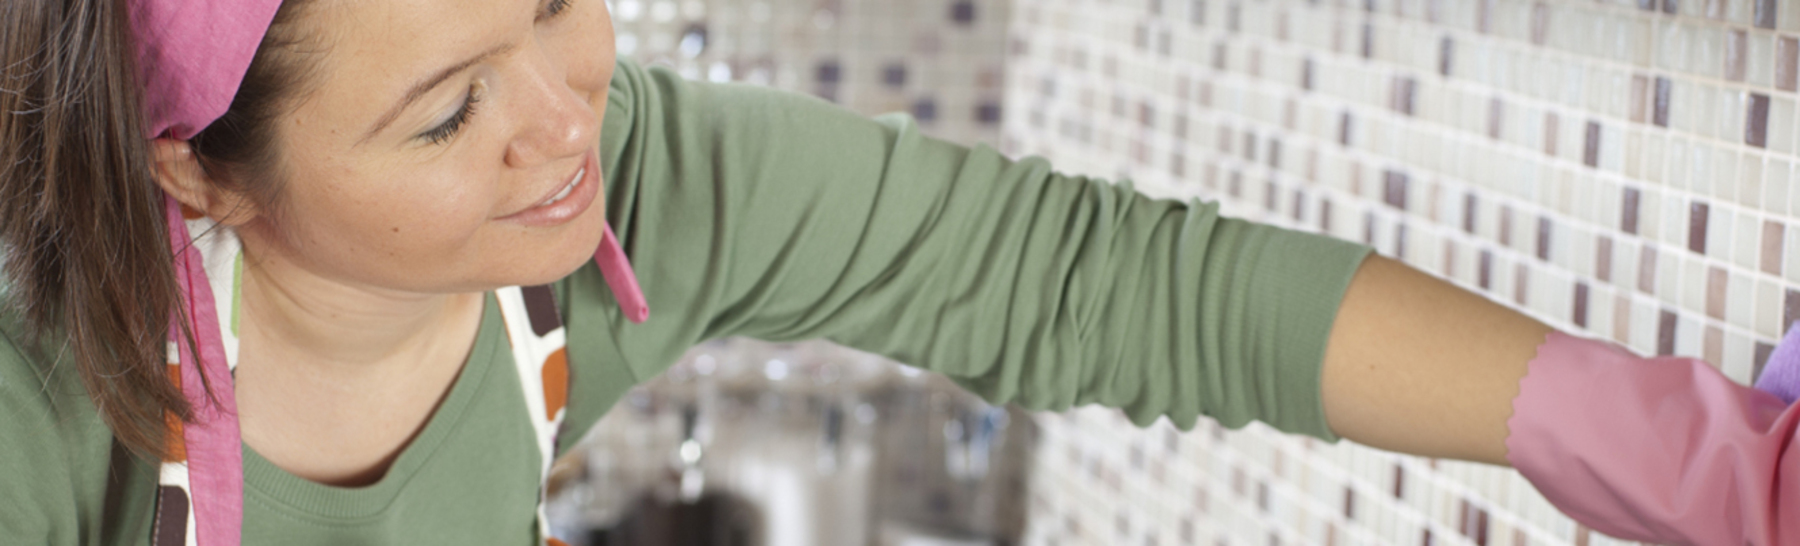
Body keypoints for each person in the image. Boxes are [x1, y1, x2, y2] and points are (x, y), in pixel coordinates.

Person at [0, 1, 1790, 545]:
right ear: (201, 172)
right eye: (452, 109)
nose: (565, 119)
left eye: (555, 3)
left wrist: (1673, 445)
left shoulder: (627, 205)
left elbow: (1075, 276)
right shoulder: (41, 411)